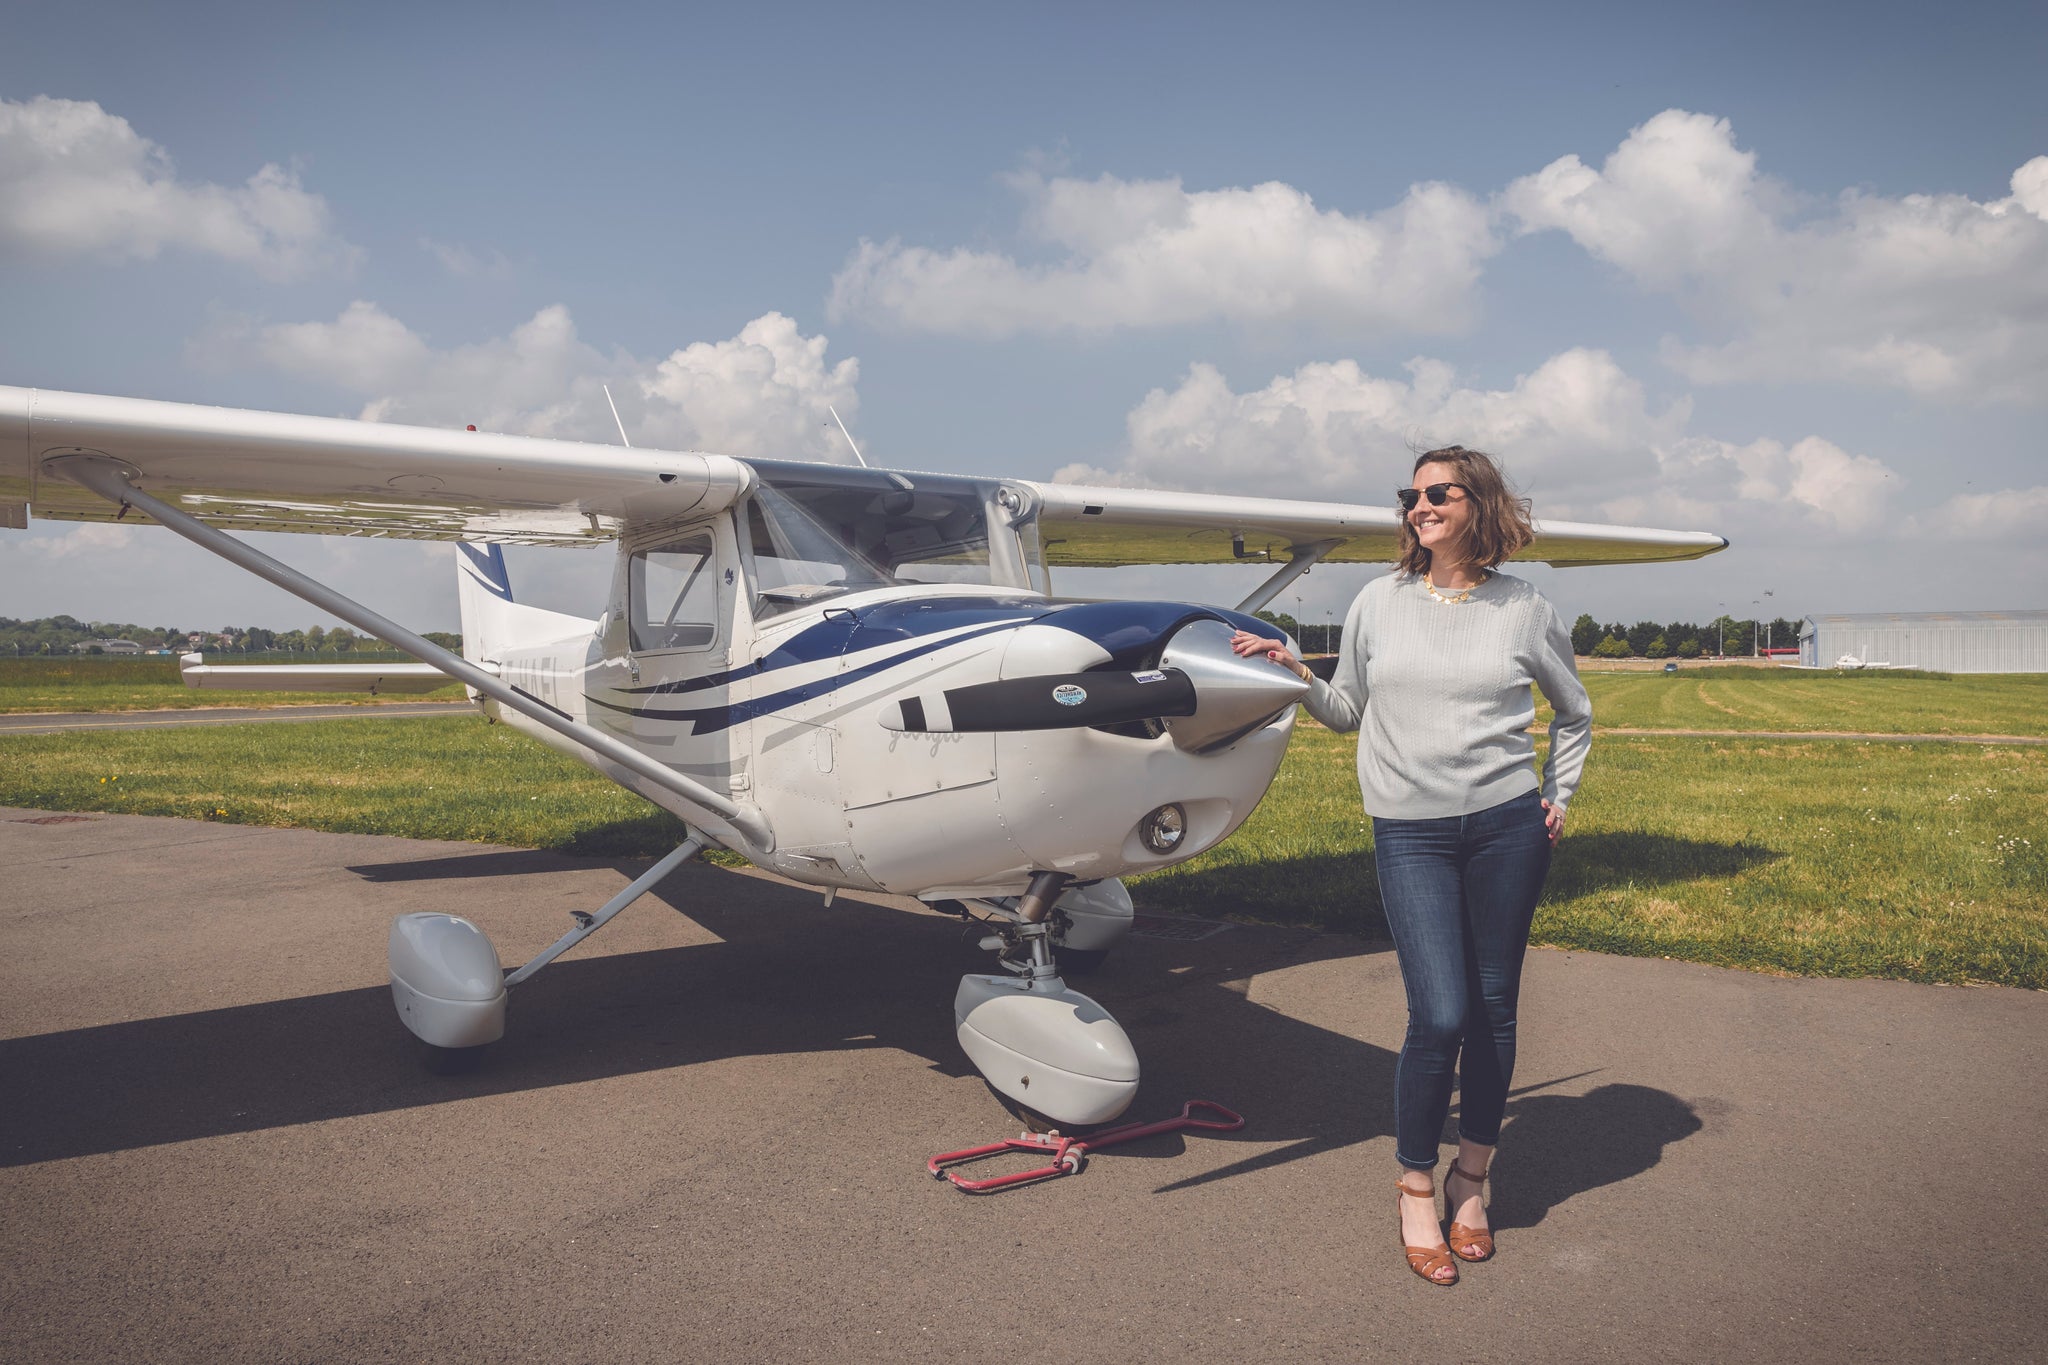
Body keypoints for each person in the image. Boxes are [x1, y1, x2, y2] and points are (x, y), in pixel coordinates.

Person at [1230, 445, 1590, 1287]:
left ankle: (1473, 1180)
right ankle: (1415, 1183)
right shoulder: (1376, 602)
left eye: (1438, 492)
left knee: (1494, 1008)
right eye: (1411, 494)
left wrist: (1557, 798)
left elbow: (1574, 712)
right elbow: (1347, 711)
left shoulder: (1525, 608)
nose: (1419, 505)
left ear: (1479, 505)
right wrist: (1295, 672)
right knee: (1439, 1012)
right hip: (1411, 832)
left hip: (1507, 827)